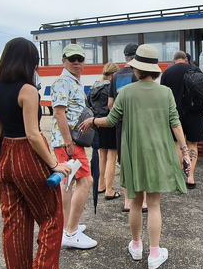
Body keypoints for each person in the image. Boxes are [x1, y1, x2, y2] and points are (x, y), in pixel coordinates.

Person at [79, 44, 188, 269]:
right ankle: (155, 254)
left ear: (136, 69)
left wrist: (92, 121)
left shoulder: (126, 92)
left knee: (136, 203)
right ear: (155, 70)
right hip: (158, 153)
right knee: (154, 204)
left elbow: (110, 121)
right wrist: (185, 150)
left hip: (132, 154)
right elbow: (175, 123)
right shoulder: (165, 92)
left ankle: (137, 247)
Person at [0, 38, 72, 269]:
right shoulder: (28, 90)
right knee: (51, 215)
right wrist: (54, 163)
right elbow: (34, 135)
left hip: (5, 155)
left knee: (14, 221)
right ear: (30, 62)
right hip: (28, 155)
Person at [51, 44, 97, 249]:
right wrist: (69, 142)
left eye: (80, 59)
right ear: (64, 61)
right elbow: (59, 113)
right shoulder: (63, 82)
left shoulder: (73, 81)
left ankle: (67, 226)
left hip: (67, 142)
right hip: (70, 142)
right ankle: (71, 231)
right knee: (86, 181)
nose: (77, 62)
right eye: (72, 59)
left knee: (68, 184)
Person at [108, 43, 146, 212]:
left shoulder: (115, 76)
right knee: (140, 161)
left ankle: (127, 202)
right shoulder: (139, 74)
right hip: (137, 125)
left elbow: (110, 104)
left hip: (120, 124)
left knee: (124, 163)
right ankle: (143, 201)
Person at [160, 50, 203, 189]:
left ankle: (179, 174)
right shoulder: (195, 69)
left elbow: (163, 94)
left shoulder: (167, 73)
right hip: (194, 112)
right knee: (192, 144)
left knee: (177, 143)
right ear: (186, 59)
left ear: (174, 61)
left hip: (174, 113)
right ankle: (190, 177)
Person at [88, 62, 120, 200]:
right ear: (113, 74)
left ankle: (100, 184)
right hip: (110, 124)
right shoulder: (111, 88)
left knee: (102, 156)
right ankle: (109, 189)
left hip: (97, 124)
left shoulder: (94, 86)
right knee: (112, 158)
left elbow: (88, 103)